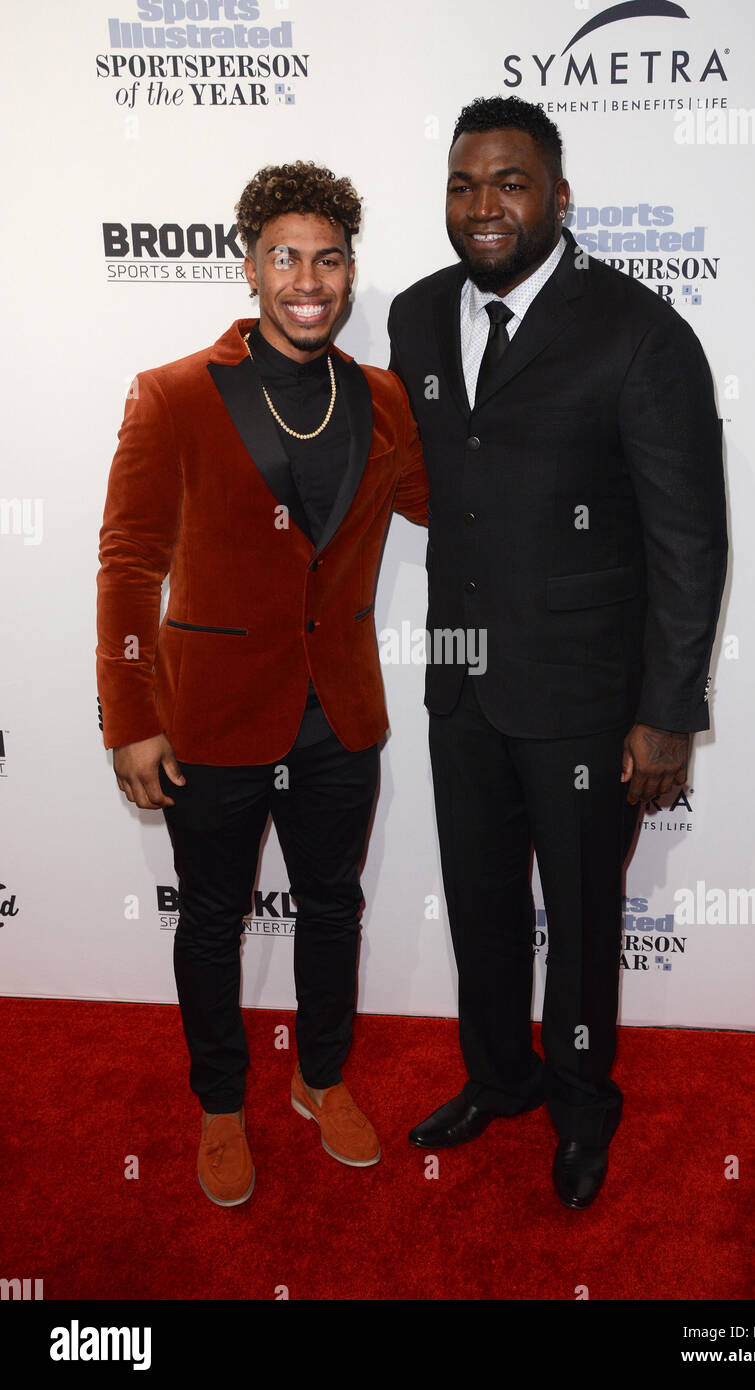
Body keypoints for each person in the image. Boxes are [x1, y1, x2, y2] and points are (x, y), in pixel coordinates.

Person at [388, 96, 727, 1209]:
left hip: (588, 700)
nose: (482, 205)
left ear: (559, 196)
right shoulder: (417, 315)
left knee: (581, 923)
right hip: (461, 682)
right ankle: (498, 1079)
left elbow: (687, 536)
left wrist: (666, 710)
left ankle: (583, 1103)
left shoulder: (639, 331)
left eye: (508, 181)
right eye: (462, 183)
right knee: (479, 904)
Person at [97, 161, 428, 1207]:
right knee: (210, 919)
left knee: (333, 908)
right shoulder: (175, 394)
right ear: (249, 267)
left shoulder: (378, 399)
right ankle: (220, 1103)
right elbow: (126, 564)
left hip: (340, 712)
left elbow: (449, 503)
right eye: (285, 255)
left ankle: (319, 1079)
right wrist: (132, 717)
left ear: (348, 271)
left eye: (328, 257)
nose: (308, 277)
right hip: (210, 713)